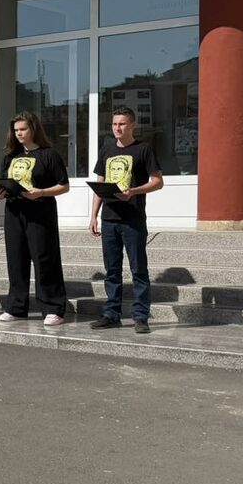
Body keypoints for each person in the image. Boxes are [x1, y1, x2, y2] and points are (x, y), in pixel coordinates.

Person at [89, 106, 164, 334]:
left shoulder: (143, 149)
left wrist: (133, 191)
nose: (117, 128)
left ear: (133, 125)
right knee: (112, 270)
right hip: (109, 219)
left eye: (122, 124)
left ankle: (141, 317)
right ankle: (111, 314)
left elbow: (158, 182)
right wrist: (93, 215)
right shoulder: (107, 149)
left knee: (138, 269)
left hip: (133, 219)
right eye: (114, 124)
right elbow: (100, 183)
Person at [0, 111, 70, 326]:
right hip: (14, 213)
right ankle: (16, 307)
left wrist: (42, 192)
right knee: (16, 260)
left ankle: (53, 308)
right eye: (16, 130)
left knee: (44, 259)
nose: (19, 134)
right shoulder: (10, 157)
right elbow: (6, 183)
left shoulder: (49, 155)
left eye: (23, 129)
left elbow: (64, 186)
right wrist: (1, 191)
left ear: (33, 129)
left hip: (40, 213)